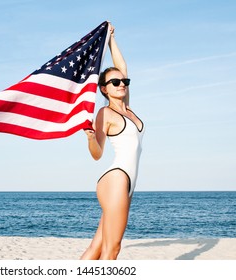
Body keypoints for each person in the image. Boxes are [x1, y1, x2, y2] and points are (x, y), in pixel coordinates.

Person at [81, 23, 145, 260]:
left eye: (124, 83)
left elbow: (123, 68)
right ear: (104, 89)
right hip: (116, 178)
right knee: (113, 249)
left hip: (126, 182)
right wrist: (90, 138)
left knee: (96, 248)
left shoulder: (128, 108)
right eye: (115, 83)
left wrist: (111, 40)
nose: (121, 85)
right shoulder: (104, 114)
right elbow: (97, 154)